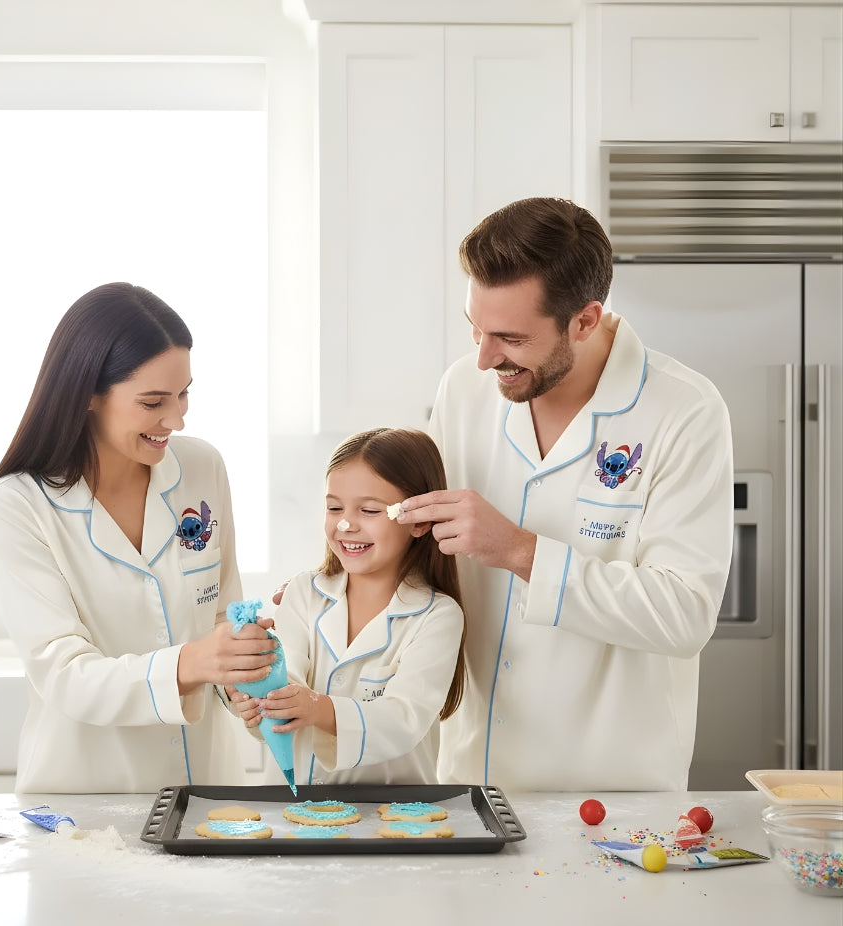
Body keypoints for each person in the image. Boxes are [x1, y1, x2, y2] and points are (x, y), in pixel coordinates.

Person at [396, 197, 734, 792]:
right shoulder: (465, 388)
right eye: (474, 327)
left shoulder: (684, 410)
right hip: (474, 779)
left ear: (585, 319)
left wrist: (521, 551)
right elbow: (427, 554)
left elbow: (684, 616)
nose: (483, 357)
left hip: (615, 791)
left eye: (508, 337)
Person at [0, 282, 277, 793]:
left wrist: (242, 679)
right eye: (153, 401)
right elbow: (64, 674)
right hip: (84, 798)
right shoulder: (17, 504)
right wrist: (193, 662)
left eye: (184, 394)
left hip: (206, 794)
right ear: (88, 394)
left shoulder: (202, 467)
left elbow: (223, 612)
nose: (177, 418)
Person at [232, 428, 467, 785]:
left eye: (369, 510)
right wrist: (259, 697)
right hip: (291, 821)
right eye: (334, 507)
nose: (345, 524)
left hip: (395, 822)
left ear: (418, 521)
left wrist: (318, 708)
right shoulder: (302, 593)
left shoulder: (437, 616)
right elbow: (289, 673)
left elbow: (404, 720)